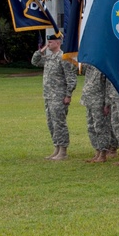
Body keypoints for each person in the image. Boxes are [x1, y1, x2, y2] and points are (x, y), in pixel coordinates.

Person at [31, 33, 77, 161]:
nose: (48, 44)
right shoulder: (50, 58)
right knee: (51, 123)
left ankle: (63, 151)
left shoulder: (64, 58)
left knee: (59, 123)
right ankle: (56, 148)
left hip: (59, 96)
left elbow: (71, 78)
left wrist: (68, 95)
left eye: (50, 42)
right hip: (48, 96)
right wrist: (42, 50)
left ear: (58, 43)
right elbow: (35, 61)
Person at [80, 64, 111, 163]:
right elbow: (77, 68)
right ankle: (97, 151)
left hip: (98, 101)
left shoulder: (103, 66)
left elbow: (107, 86)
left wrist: (107, 103)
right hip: (88, 99)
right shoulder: (90, 65)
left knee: (100, 127)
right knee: (91, 127)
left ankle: (103, 153)